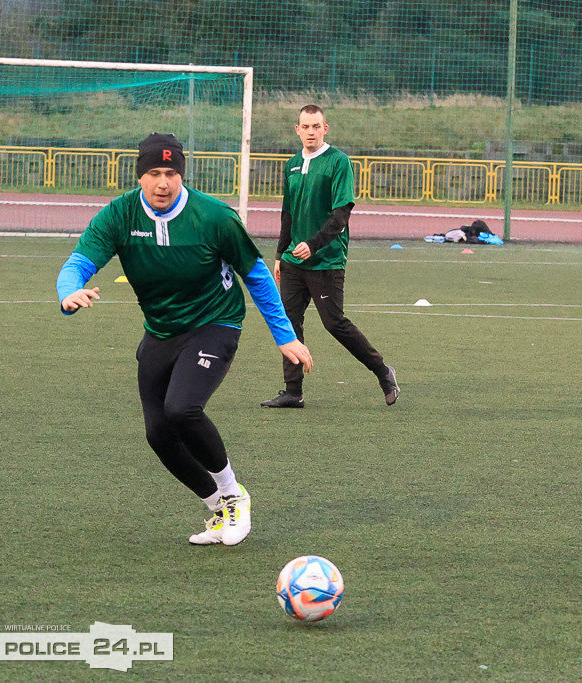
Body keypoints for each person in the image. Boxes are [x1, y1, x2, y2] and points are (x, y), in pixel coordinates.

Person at [57, 133, 313, 546]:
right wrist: (69, 292)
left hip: (216, 322)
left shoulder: (214, 217)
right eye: (154, 173)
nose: (163, 183)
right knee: (158, 433)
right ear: (140, 176)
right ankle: (219, 508)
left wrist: (284, 336)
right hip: (161, 330)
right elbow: (79, 263)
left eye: (171, 173)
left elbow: (257, 274)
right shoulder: (119, 215)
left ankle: (234, 493)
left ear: (181, 175)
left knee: (182, 408)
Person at [261, 104, 399, 409]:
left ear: (326, 129)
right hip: (294, 262)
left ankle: (383, 371)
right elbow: (288, 213)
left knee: (334, 323)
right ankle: (293, 391)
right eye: (305, 127)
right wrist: (280, 254)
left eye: (316, 126)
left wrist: (313, 244)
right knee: (287, 323)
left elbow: (341, 215)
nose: (310, 132)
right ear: (297, 130)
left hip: (326, 260)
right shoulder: (292, 164)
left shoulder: (338, 162)